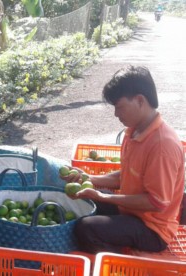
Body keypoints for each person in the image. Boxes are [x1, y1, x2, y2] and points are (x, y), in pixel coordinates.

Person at [61, 65, 185, 254]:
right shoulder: (134, 131)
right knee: (87, 201)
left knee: (86, 228)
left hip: (152, 229)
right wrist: (90, 179)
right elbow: (126, 174)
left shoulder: (162, 146)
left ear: (140, 101)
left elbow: (157, 203)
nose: (116, 114)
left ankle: (122, 262)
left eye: (119, 107)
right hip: (131, 213)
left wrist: (103, 196)